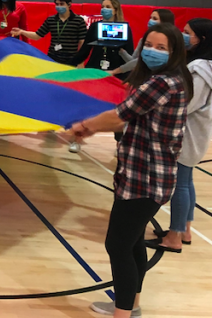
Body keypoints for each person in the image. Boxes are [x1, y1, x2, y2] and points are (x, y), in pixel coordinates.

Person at [68, 23, 190, 318]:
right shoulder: (166, 80)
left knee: (118, 245)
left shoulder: (162, 83)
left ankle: (122, 312)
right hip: (142, 176)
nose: (152, 51)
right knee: (133, 241)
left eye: (162, 48)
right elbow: (128, 119)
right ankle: (130, 305)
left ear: (175, 53)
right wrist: (92, 128)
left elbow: (120, 115)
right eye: (149, 44)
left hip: (145, 179)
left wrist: (84, 126)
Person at [145, 18, 212, 253]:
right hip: (195, 132)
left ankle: (174, 237)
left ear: (201, 39)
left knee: (181, 183)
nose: (184, 36)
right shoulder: (201, 64)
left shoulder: (202, 69)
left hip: (190, 133)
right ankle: (184, 229)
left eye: (187, 33)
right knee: (187, 181)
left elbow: (190, 103)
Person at [68, 0, 135, 153]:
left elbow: (130, 57)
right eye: (102, 7)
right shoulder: (95, 27)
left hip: (116, 74)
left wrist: (121, 52)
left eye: (108, 7)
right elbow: (84, 50)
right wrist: (69, 65)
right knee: (85, 105)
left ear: (116, 10)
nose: (104, 9)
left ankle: (120, 144)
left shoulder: (125, 29)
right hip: (95, 71)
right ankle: (77, 138)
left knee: (118, 109)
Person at [11, 0, 87, 65]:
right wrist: (22, 32)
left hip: (71, 60)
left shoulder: (79, 21)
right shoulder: (51, 20)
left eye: (62, 4)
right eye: (57, 4)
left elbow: (82, 43)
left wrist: (80, 62)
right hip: (53, 59)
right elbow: (37, 36)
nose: (59, 6)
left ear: (69, 5)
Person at [113, 9, 175, 75]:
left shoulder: (173, 41)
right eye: (148, 45)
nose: (150, 21)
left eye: (155, 18)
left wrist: (116, 71)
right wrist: (122, 51)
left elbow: (139, 61)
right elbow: (134, 61)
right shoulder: (142, 40)